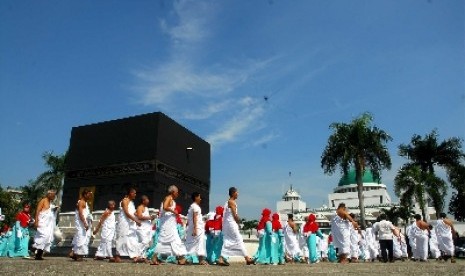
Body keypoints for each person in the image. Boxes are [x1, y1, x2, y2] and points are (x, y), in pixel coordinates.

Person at [217, 187, 254, 266]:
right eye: (237, 192)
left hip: (227, 225)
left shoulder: (227, 202)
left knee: (228, 241)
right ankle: (247, 258)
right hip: (231, 224)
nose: (238, 194)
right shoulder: (231, 202)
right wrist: (240, 223)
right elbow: (235, 215)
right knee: (238, 239)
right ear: (233, 193)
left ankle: (221, 258)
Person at [151, 185, 187, 265]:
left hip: (170, 224)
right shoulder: (168, 198)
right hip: (167, 225)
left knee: (165, 242)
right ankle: (181, 258)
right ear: (173, 192)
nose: (178, 194)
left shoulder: (171, 199)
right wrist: (174, 211)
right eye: (177, 192)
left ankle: (155, 257)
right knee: (175, 239)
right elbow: (165, 207)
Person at [112, 187, 142, 263]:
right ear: (130, 193)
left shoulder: (131, 203)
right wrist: (136, 220)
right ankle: (118, 256)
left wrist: (139, 215)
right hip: (124, 222)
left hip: (130, 223)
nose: (135, 195)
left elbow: (133, 212)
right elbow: (126, 213)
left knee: (133, 239)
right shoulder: (125, 201)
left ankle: (135, 256)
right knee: (122, 238)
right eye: (134, 193)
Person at [32, 190, 57, 260]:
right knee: (44, 236)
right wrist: (36, 221)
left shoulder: (50, 202)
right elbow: (38, 211)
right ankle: (33, 249)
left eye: (54, 195)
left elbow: (49, 212)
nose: (53, 196)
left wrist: (54, 210)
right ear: (49, 194)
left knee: (47, 238)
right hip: (42, 223)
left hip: (48, 225)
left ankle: (39, 255)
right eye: (53, 195)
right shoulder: (43, 200)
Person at [185, 192, 207, 265]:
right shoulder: (195, 207)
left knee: (191, 243)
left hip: (193, 227)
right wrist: (195, 228)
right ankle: (201, 260)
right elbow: (195, 217)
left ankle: (188, 258)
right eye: (199, 197)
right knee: (200, 242)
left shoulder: (191, 206)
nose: (200, 199)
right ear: (196, 197)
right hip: (197, 228)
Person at [71, 189, 93, 261]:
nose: (90, 196)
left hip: (83, 223)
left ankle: (74, 253)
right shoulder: (81, 202)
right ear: (85, 194)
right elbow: (80, 214)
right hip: (81, 224)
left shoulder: (85, 203)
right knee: (81, 237)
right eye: (89, 195)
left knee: (82, 237)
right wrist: (85, 223)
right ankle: (78, 255)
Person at [135, 195, 155, 260]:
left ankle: (143, 257)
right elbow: (140, 217)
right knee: (144, 241)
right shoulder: (140, 207)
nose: (148, 200)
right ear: (143, 201)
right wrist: (149, 217)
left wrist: (151, 218)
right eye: (147, 199)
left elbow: (135, 214)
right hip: (142, 228)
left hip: (147, 227)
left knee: (147, 243)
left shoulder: (145, 208)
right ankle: (137, 255)